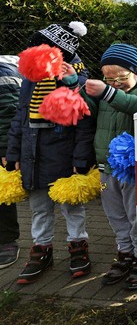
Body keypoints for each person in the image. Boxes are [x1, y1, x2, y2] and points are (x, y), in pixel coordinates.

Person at [6, 22, 95, 284]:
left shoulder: (75, 79)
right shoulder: (29, 82)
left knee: (72, 208)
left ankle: (78, 247)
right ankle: (41, 248)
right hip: (33, 156)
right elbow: (20, 117)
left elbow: (85, 122)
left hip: (65, 157)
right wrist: (13, 153)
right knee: (39, 208)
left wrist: (81, 159)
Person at [84, 43, 137, 291]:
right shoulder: (107, 92)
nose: (114, 83)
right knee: (115, 214)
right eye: (108, 78)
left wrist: (107, 92)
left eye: (120, 78)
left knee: (136, 214)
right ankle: (125, 253)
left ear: (135, 70)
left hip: (131, 169)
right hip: (106, 166)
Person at [0, 56, 22, 269]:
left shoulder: (4, 75)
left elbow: (9, 114)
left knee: (2, 192)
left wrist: (6, 150)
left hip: (2, 141)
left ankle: (6, 241)